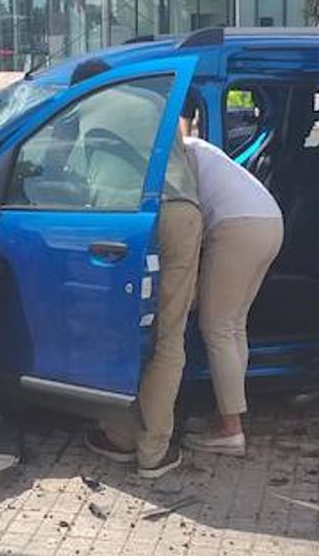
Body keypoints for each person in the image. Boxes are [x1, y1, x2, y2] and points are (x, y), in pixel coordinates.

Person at [85, 114, 202, 479]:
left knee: (117, 330)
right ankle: (153, 451)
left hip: (124, 217)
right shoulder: (154, 94)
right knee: (168, 334)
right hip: (180, 209)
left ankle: (120, 436)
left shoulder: (89, 105)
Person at [180, 113, 283, 458]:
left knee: (217, 328)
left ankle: (230, 432)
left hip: (238, 227)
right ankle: (231, 419)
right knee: (234, 326)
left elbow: (185, 217)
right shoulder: (201, 149)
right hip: (269, 221)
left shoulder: (182, 155)